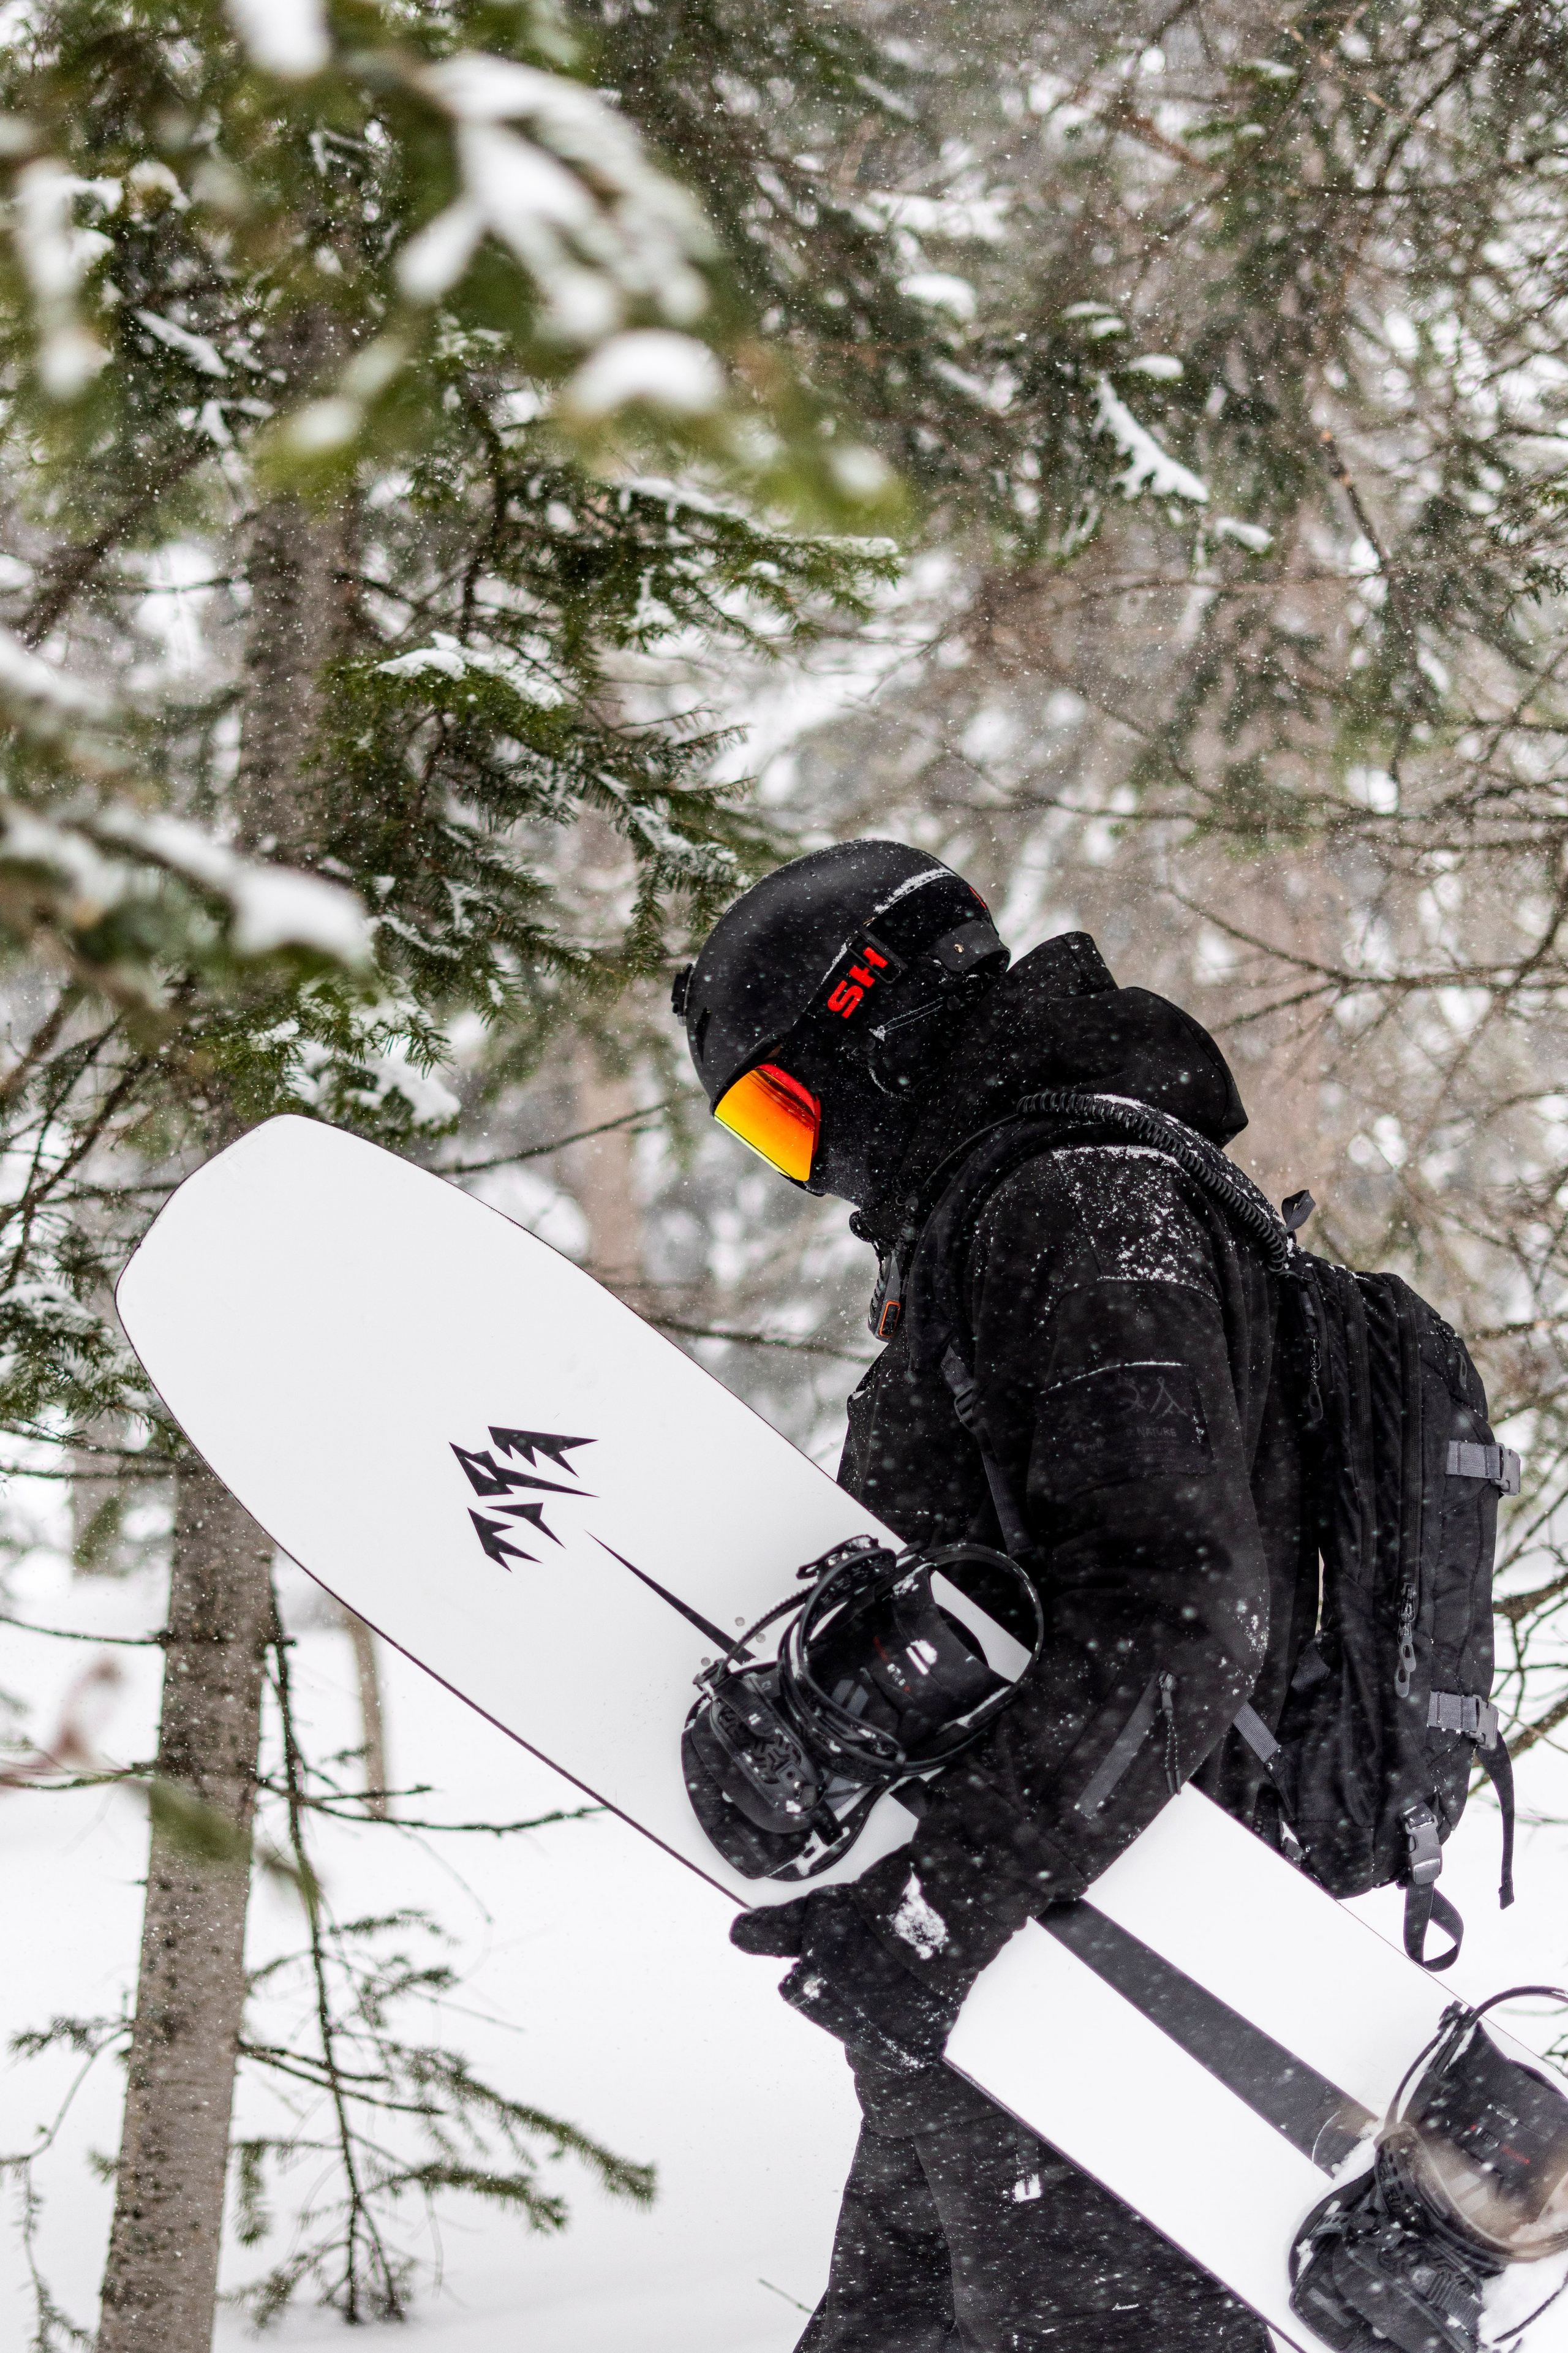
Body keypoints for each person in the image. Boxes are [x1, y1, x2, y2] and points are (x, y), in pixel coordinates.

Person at [673, 839, 1314, 2353]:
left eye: (788, 1103)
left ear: (879, 1024)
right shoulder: (1003, 1208)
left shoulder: (1083, 1202)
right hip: (998, 1981)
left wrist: (936, 1904)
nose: (811, 1162)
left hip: (1117, 1994)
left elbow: (1181, 1605)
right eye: (768, 1137)